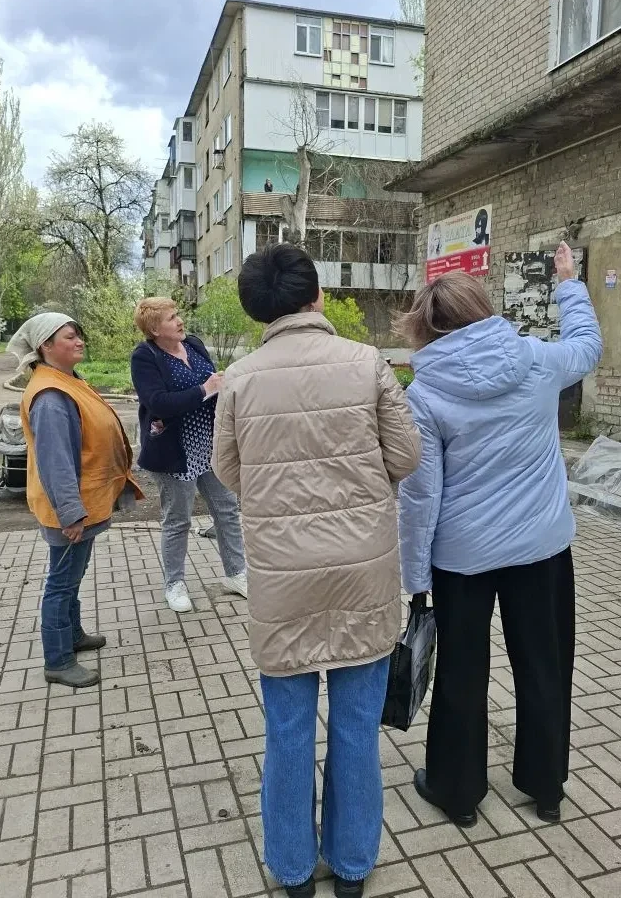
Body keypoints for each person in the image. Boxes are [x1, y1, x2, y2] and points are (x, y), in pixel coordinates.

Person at [212, 244, 421, 898]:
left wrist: (277, 499)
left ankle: (294, 870)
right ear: (317, 296)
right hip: (363, 573)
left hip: (282, 579)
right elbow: (406, 455)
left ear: (257, 309)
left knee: (287, 730)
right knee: (357, 728)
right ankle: (353, 867)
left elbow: (228, 469)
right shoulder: (366, 363)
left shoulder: (239, 378)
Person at [397, 243, 602, 827]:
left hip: (462, 556)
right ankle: (546, 786)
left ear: (427, 325)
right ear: (483, 308)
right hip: (541, 547)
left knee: (461, 671)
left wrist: (415, 578)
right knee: (544, 663)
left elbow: (420, 496)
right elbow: (587, 346)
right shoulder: (536, 360)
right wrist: (568, 283)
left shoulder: (424, 393)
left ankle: (458, 792)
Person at [7, 313, 143, 689]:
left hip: (83, 503)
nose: (79, 341)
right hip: (70, 508)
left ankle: (73, 634)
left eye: (78, 335)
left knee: (72, 575)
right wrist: (70, 514)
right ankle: (58, 660)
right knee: (61, 582)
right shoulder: (51, 397)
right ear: (46, 346)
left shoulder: (66, 380)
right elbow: (56, 463)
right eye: (70, 336)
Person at [130, 297, 247, 614]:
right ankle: (175, 584)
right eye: (172, 317)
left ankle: (236, 573)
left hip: (209, 448)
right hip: (174, 453)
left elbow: (212, 387)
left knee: (227, 510)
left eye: (177, 314)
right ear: (155, 329)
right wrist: (205, 389)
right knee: (177, 520)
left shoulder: (193, 344)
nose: (180, 320)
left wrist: (222, 387)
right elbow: (157, 403)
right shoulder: (145, 356)